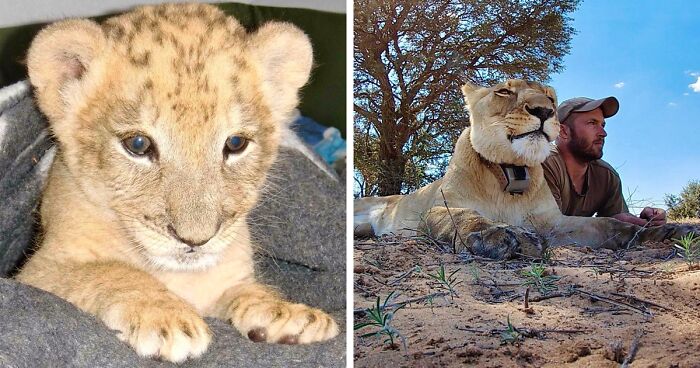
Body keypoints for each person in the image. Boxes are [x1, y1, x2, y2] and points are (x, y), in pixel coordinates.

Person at [542, 96, 666, 227]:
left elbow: (618, 226)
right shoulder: (544, 164)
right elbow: (547, 227)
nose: (603, 133)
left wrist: (643, 221)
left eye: (603, 125)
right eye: (592, 123)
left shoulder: (606, 175)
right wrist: (611, 223)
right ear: (563, 131)